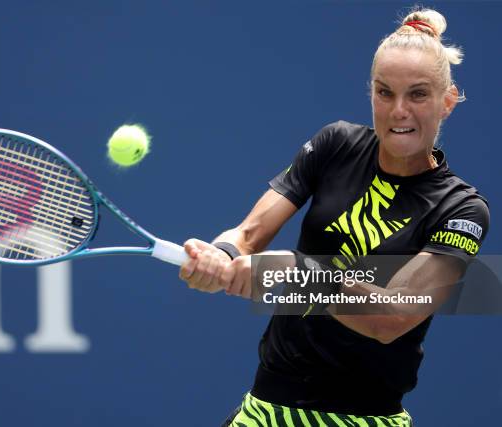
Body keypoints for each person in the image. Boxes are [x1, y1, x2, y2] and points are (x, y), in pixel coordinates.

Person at [179, 7, 489, 427]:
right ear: (372, 94)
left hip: (366, 419)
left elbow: (393, 315)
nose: (399, 110)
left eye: (417, 94)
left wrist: (296, 274)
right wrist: (220, 254)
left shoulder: (461, 209)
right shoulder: (335, 144)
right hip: (267, 410)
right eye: (384, 92)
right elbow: (250, 233)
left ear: (447, 102)